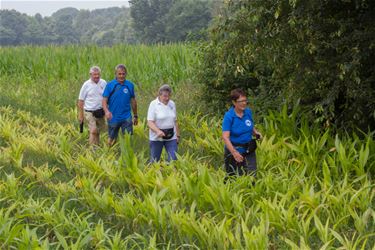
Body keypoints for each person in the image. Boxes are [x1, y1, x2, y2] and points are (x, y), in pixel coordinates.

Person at [222, 88, 262, 177]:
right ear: (234, 102)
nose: (244, 103)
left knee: (252, 176)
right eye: (241, 101)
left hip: (249, 149)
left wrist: (255, 133)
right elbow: (225, 137)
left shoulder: (248, 112)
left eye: (245, 100)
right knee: (234, 177)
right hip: (234, 150)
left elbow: (250, 125)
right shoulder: (229, 116)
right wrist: (234, 153)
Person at [102, 64, 138, 146]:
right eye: (119, 74)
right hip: (113, 117)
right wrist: (106, 111)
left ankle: (126, 155)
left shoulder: (130, 85)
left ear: (126, 74)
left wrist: (135, 115)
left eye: (123, 74)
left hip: (126, 117)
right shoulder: (110, 85)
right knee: (111, 139)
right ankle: (109, 154)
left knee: (128, 139)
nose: (121, 76)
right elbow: (104, 101)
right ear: (115, 74)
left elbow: (133, 101)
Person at [147, 84, 180, 163]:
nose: (167, 98)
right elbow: (149, 122)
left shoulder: (172, 104)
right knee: (155, 161)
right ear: (159, 95)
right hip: (157, 137)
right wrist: (158, 131)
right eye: (165, 96)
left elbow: (175, 121)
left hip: (172, 136)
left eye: (169, 96)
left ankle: (171, 174)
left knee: (173, 159)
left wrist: (178, 135)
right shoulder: (153, 104)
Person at [78, 66, 107, 145]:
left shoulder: (103, 83)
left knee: (98, 131)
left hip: (100, 111)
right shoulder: (86, 85)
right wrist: (81, 115)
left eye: (98, 74)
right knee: (93, 130)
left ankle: (96, 147)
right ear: (90, 75)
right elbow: (81, 101)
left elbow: (107, 97)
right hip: (89, 111)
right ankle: (90, 150)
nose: (97, 76)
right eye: (94, 74)